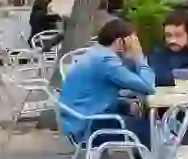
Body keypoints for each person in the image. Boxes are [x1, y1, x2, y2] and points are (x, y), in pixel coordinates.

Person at [58, 19, 155, 151]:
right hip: (89, 129)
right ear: (121, 42)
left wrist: (124, 105)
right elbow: (148, 86)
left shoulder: (96, 54)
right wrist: (139, 57)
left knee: (142, 122)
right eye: (134, 41)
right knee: (149, 128)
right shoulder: (106, 61)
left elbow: (96, 95)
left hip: (80, 122)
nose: (136, 45)